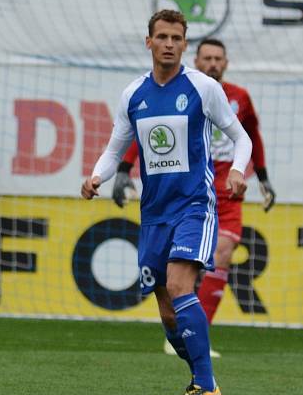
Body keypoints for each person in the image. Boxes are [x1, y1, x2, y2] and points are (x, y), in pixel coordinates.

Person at [80, 10, 253, 395]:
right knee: (168, 311)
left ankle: (208, 388)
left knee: (179, 285)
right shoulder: (134, 94)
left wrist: (239, 171)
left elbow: (241, 139)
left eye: (177, 37)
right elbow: (115, 149)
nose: (170, 44)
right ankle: (198, 379)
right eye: (163, 37)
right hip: (153, 212)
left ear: (184, 44)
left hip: (195, 205)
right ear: (150, 43)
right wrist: (96, 177)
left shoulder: (203, 88)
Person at [112, 38, 276, 357]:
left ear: (226, 63)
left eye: (219, 58)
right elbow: (143, 132)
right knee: (178, 275)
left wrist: (264, 178)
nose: (213, 63)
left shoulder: (239, 98)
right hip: (187, 191)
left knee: (224, 252)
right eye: (207, 58)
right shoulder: (181, 93)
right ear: (197, 62)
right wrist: (123, 169)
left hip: (225, 192)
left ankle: (202, 337)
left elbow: (251, 136)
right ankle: (183, 331)